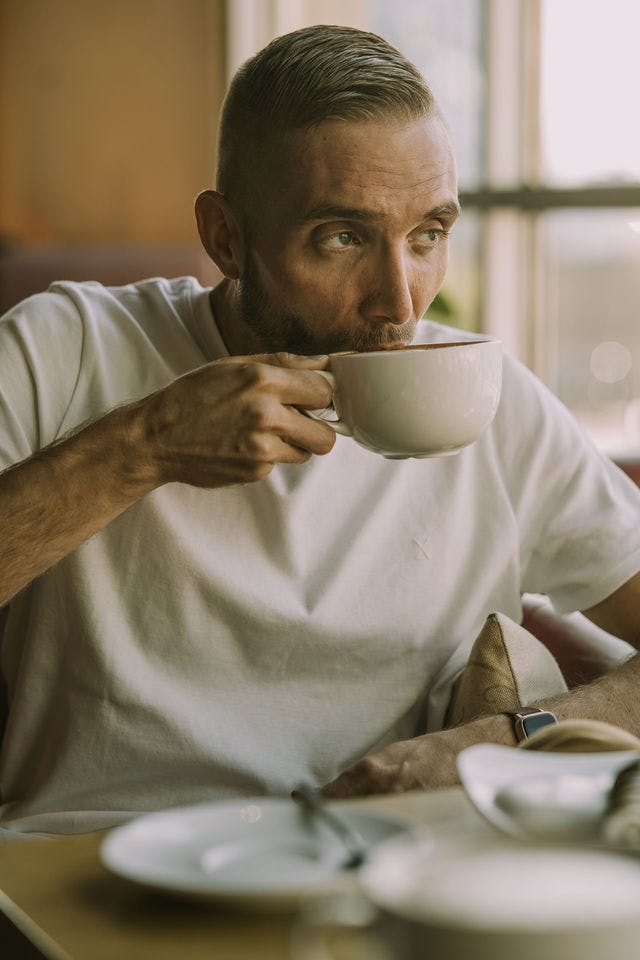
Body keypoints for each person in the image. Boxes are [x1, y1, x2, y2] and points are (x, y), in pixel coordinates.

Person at [0, 24, 639, 836]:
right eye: (342, 238)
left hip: (379, 876)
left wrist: (507, 741)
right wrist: (143, 447)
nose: (402, 304)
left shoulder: (488, 394)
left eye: (428, 236)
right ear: (225, 238)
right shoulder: (67, 347)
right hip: (85, 865)